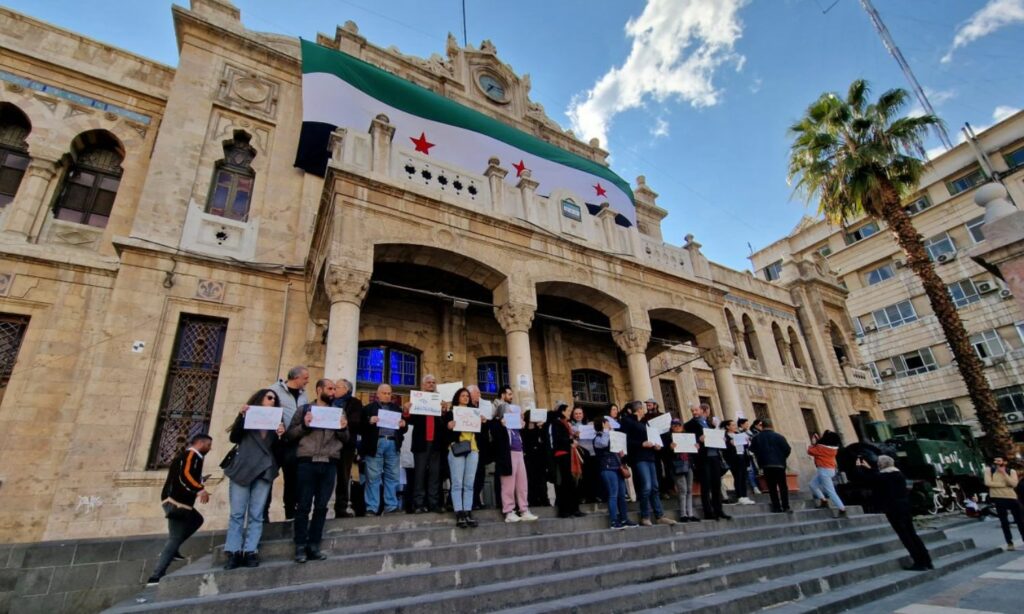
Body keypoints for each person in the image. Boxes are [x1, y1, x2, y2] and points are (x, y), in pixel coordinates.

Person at [287, 378, 349, 563]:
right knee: (304, 505)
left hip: (329, 463)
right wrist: (305, 425)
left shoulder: (339, 412)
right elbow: (290, 434)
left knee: (321, 507)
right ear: (319, 389)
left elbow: (346, 438)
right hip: (308, 462)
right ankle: (300, 545)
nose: (333, 392)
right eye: (330, 389)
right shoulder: (304, 410)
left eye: (334, 389)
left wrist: (342, 428)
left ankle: (314, 544)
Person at [222, 389, 285, 570]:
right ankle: (233, 550)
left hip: (264, 470)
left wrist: (281, 434)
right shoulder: (248, 415)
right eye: (269, 397)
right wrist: (241, 417)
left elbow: (279, 450)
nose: (272, 401)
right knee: (237, 513)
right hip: (243, 468)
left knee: (256, 513)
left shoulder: (277, 421)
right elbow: (234, 437)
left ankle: (251, 550)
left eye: (275, 399)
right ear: (260, 399)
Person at [147, 433, 212, 585]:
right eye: (208, 445)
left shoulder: (192, 457)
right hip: (176, 502)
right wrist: (199, 488)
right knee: (174, 538)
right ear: (200, 443)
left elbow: (184, 476)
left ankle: (172, 551)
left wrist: (200, 481)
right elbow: (185, 475)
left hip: (181, 502)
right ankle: (156, 576)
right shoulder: (190, 455)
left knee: (197, 520)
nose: (210, 448)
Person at [856, 455, 933, 570]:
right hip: (905, 506)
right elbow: (878, 476)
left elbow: (868, 479)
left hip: (894, 509)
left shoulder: (883, 477)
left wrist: (859, 468)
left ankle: (919, 562)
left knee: (905, 536)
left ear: (881, 465)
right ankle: (927, 560)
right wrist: (870, 468)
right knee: (912, 534)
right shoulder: (898, 474)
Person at [621, 400, 676, 526]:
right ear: (638, 410)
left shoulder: (646, 424)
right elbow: (625, 440)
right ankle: (645, 516)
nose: (644, 410)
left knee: (655, 487)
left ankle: (659, 515)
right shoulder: (628, 421)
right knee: (646, 486)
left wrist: (657, 445)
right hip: (639, 458)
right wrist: (641, 444)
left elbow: (652, 437)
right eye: (642, 408)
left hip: (650, 456)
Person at [491, 385, 539, 523]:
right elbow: (493, 432)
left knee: (522, 483)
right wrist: (500, 423)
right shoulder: (498, 424)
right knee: (508, 484)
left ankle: (524, 509)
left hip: (519, 453)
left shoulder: (516, 427)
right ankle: (509, 511)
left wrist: (523, 423)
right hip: (508, 454)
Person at [269, 366, 309, 520]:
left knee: (292, 479)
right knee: (269, 476)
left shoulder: (304, 395)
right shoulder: (274, 390)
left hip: (294, 442)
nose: (307, 381)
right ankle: (264, 513)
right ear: (296, 377)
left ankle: (290, 513)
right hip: (276, 442)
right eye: (305, 378)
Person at [361, 383, 408, 515]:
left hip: (392, 443)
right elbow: (360, 427)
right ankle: (372, 507)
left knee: (392, 476)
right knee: (373, 476)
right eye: (384, 393)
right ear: (378, 394)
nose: (387, 396)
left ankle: (391, 506)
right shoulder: (369, 408)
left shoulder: (396, 409)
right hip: (376, 444)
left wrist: (404, 424)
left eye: (389, 394)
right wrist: (369, 421)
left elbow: (404, 429)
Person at [404, 374, 446, 514]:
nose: (431, 384)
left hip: (436, 443)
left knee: (435, 475)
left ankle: (433, 503)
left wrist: (444, 411)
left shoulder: (439, 401)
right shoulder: (417, 400)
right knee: (419, 474)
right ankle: (418, 504)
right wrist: (407, 410)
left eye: (433, 382)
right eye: (428, 382)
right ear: (423, 385)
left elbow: (444, 424)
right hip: (421, 443)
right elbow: (410, 421)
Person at [684, 404, 730, 520]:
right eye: (692, 410)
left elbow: (717, 436)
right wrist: (698, 440)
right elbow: (688, 440)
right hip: (703, 458)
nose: (694, 412)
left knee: (716, 485)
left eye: (696, 410)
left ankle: (719, 510)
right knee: (706, 486)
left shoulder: (709, 424)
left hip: (714, 457)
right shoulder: (689, 425)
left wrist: (722, 439)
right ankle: (708, 512)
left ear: (701, 411)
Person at [447, 387, 483, 527]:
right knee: (457, 483)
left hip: (473, 449)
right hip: (457, 449)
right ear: (457, 398)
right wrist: (449, 426)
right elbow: (445, 432)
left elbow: (480, 433)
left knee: (469, 483)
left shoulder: (474, 412)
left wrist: (481, 422)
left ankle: (468, 512)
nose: (466, 398)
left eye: (467, 396)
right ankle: (459, 513)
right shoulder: (451, 413)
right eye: (463, 395)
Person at [593, 417, 635, 529]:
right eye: (607, 423)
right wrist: (607, 431)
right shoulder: (598, 437)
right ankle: (613, 521)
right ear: (602, 424)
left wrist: (621, 453)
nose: (610, 424)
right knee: (613, 494)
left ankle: (624, 519)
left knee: (622, 495)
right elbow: (602, 444)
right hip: (607, 469)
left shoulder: (611, 435)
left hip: (617, 468)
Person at [331, 378, 363, 518]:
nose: (334, 390)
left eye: (337, 387)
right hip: (328, 443)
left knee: (343, 476)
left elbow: (356, 421)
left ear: (346, 389)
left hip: (346, 445)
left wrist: (342, 420)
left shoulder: (354, 403)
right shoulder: (329, 402)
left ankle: (341, 507)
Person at [550, 401, 585, 518]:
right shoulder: (556, 423)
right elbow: (558, 439)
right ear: (562, 411)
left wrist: (573, 437)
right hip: (562, 456)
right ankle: (565, 510)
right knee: (565, 483)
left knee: (571, 483)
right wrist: (571, 441)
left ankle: (574, 509)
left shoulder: (565, 423)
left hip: (568, 454)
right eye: (567, 410)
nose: (569, 412)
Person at [749, 418, 791, 513]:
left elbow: (751, 449)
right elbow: (787, 449)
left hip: (766, 465)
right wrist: (782, 458)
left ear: (762, 426)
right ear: (772, 425)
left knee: (772, 487)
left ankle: (776, 507)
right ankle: (786, 506)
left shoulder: (757, 438)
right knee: (783, 486)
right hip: (779, 465)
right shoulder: (779, 437)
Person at [985, 456, 1024, 550]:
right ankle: (1009, 543)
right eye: (995, 460)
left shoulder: (1011, 471)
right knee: (1004, 522)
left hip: (1011, 497)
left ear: (1004, 462)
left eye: (999, 460)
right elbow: (988, 483)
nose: (997, 462)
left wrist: (1004, 474)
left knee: (1020, 521)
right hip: (998, 498)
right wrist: (1004, 485)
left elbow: (1014, 484)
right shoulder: (989, 471)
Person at [807, 430, 846, 515]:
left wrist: (813, 443)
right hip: (830, 469)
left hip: (824, 471)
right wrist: (818, 441)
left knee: (830, 491)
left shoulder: (821, 448)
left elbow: (810, 451)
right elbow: (822, 445)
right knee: (812, 484)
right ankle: (823, 500)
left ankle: (842, 508)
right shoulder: (833, 448)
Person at [669, 419, 698, 522]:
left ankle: (690, 513)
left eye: (679, 425)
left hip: (688, 464)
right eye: (674, 425)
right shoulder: (668, 438)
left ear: (682, 426)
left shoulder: (687, 436)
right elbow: (664, 454)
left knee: (689, 490)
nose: (677, 427)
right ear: (671, 427)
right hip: (677, 466)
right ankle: (683, 514)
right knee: (683, 490)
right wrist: (670, 448)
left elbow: (693, 453)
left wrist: (696, 447)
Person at [722, 420, 756, 505]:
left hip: (742, 458)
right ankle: (740, 496)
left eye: (735, 425)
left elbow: (746, 446)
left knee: (744, 477)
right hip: (733, 460)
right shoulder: (725, 436)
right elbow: (724, 449)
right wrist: (729, 444)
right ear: (727, 426)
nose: (735, 426)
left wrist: (747, 442)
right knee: (738, 477)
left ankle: (745, 496)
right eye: (732, 425)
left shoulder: (738, 434)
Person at [523, 408, 551, 507]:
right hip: (529, 458)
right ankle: (532, 500)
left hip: (540, 458)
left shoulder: (540, 428)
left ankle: (544, 499)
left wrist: (541, 428)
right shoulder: (524, 429)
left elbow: (545, 440)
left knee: (542, 480)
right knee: (530, 480)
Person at [738, 418, 761, 495]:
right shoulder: (739, 433)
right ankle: (754, 487)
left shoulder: (749, 432)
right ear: (741, 424)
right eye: (746, 423)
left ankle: (757, 486)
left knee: (755, 470)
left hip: (752, 453)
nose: (747, 425)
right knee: (750, 471)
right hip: (746, 454)